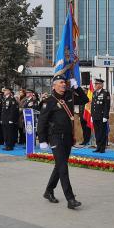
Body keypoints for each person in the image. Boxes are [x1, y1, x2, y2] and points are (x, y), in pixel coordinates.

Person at [37, 76, 88, 209]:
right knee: (63, 168)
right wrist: (42, 140)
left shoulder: (69, 96)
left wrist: (78, 88)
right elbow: (42, 122)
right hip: (55, 137)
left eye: (64, 83)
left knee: (60, 166)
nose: (63, 85)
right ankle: (70, 199)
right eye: (60, 83)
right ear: (54, 86)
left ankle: (48, 191)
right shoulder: (48, 101)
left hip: (68, 137)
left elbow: (85, 99)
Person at [90, 79, 110, 153]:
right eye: (95, 84)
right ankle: (98, 147)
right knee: (97, 132)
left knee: (102, 132)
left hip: (102, 116)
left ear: (101, 85)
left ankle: (102, 148)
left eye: (97, 84)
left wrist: (105, 116)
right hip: (95, 116)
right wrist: (92, 115)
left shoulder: (105, 92)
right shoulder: (94, 92)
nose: (95, 85)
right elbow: (93, 105)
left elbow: (106, 105)